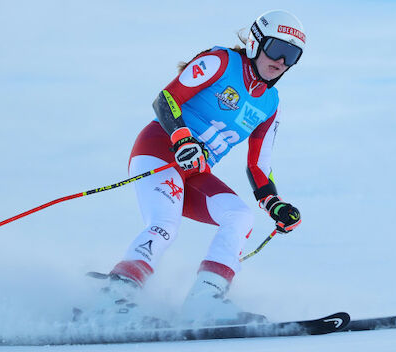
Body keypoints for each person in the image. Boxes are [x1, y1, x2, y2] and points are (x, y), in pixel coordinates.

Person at [97, 10, 305, 325]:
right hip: (159, 151)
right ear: (255, 42)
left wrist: (273, 203)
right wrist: (182, 140)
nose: (282, 61)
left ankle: (205, 301)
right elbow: (166, 98)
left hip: (195, 172)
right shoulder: (220, 61)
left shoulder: (270, 103)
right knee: (165, 224)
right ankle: (116, 296)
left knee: (239, 216)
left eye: (292, 55)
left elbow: (259, 164)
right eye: (277, 49)